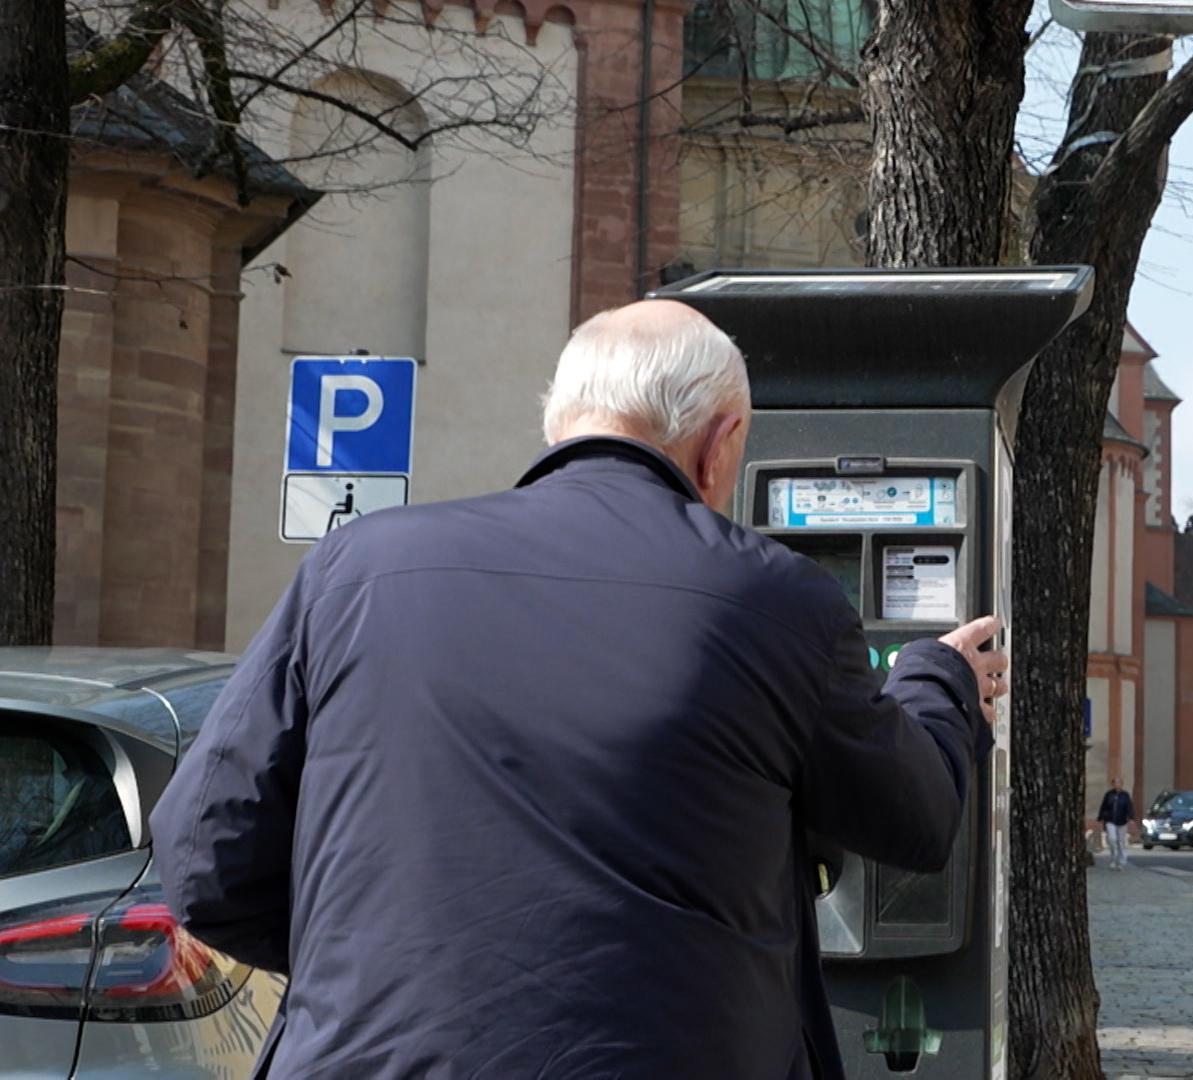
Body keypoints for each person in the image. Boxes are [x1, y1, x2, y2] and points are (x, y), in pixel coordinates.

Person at [149, 300, 1008, 1080]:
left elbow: (203, 860)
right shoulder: (776, 600)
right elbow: (917, 818)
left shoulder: (356, 568)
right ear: (721, 444)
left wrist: (371, 961)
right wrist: (939, 680)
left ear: (558, 423)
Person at [1097, 779, 1134, 870]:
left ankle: (1121, 862)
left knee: (1121, 842)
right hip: (1110, 820)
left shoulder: (1125, 795)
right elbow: (1103, 806)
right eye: (1115, 783)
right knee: (1112, 840)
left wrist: (1131, 817)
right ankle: (1113, 859)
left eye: (1119, 783)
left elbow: (1129, 806)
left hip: (1122, 821)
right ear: (1112, 784)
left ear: (1122, 784)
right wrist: (1100, 817)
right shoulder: (1109, 794)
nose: (1117, 785)